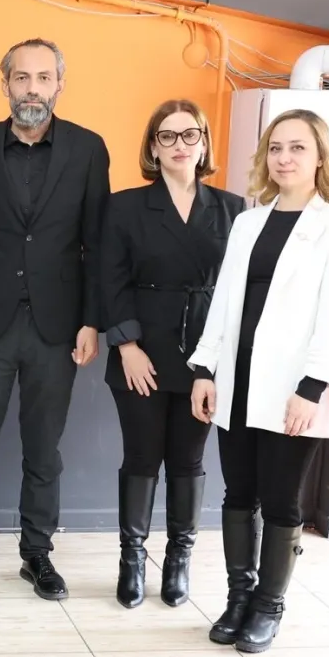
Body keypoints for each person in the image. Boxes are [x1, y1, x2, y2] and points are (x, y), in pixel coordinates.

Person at [188, 109, 329, 653]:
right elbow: (224, 303)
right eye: (276, 148)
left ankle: (269, 605)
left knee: (282, 498)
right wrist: (204, 369)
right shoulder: (248, 222)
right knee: (238, 492)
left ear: (320, 157)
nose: (284, 158)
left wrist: (312, 387)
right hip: (236, 380)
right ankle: (238, 598)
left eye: (298, 148)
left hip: (293, 387)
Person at [0, 39, 110, 599]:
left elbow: (97, 244)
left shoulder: (89, 149)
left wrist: (91, 321)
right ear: (5, 85)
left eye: (42, 78)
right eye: (21, 78)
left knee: (43, 451)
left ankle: (37, 554)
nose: (32, 89)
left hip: (57, 328)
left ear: (59, 84)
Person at [100, 101, 244, 609]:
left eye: (189, 135)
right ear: (153, 147)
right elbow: (109, 280)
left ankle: (179, 558)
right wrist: (127, 346)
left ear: (204, 142)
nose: (179, 145)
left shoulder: (234, 209)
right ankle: (132, 558)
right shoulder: (124, 207)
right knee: (141, 457)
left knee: (188, 460)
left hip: (205, 356)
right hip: (141, 350)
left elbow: (236, 291)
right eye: (167, 136)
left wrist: (212, 363)